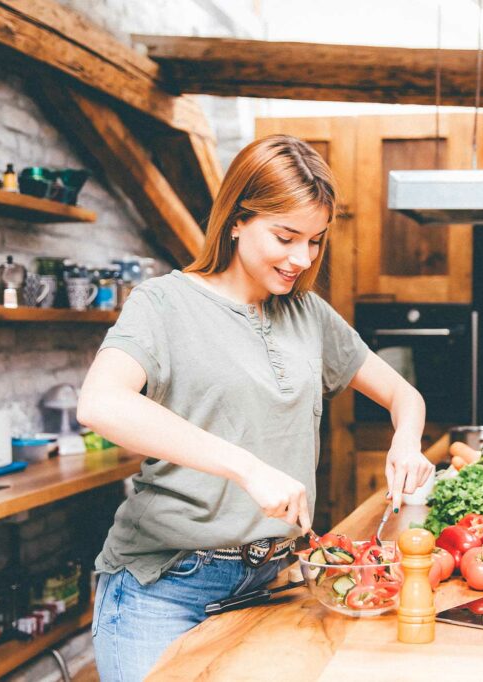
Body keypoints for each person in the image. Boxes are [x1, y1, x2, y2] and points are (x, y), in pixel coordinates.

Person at [77, 134, 434, 681]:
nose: (301, 258)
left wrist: (406, 441)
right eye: (286, 236)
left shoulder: (307, 314)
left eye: (314, 241)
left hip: (273, 583)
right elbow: (101, 404)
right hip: (166, 587)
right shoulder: (163, 303)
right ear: (237, 219)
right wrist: (246, 466)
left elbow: (404, 394)